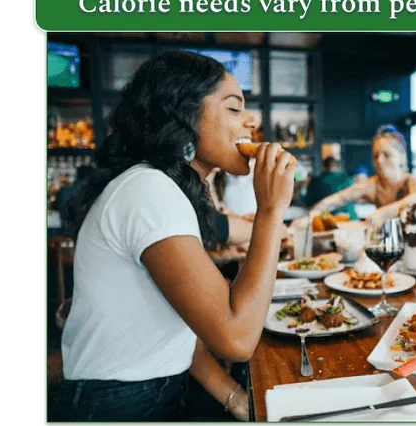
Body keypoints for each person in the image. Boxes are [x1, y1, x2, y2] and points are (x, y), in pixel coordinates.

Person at [51, 51, 296, 421]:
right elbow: (237, 338)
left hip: (151, 392)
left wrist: (235, 398)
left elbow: (182, 325)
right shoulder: (149, 190)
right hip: (118, 406)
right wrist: (271, 211)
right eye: (234, 108)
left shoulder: (161, 188)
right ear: (184, 115)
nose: (252, 121)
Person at [293, 124, 416, 226]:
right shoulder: (373, 184)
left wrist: (382, 213)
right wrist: (310, 217)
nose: (379, 160)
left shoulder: (409, 180)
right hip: (389, 244)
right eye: (375, 156)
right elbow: (338, 199)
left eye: (387, 155)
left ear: (402, 157)